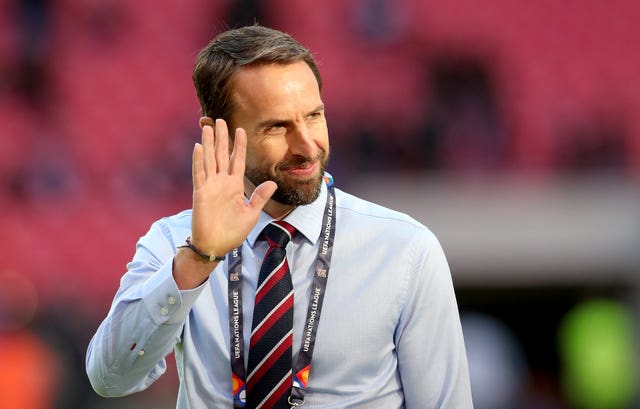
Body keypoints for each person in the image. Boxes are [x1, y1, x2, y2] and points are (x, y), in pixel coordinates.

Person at [86, 24, 473, 409]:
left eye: (314, 116)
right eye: (277, 127)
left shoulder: (406, 250)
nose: (307, 146)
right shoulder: (175, 243)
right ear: (215, 132)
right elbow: (109, 379)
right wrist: (198, 258)